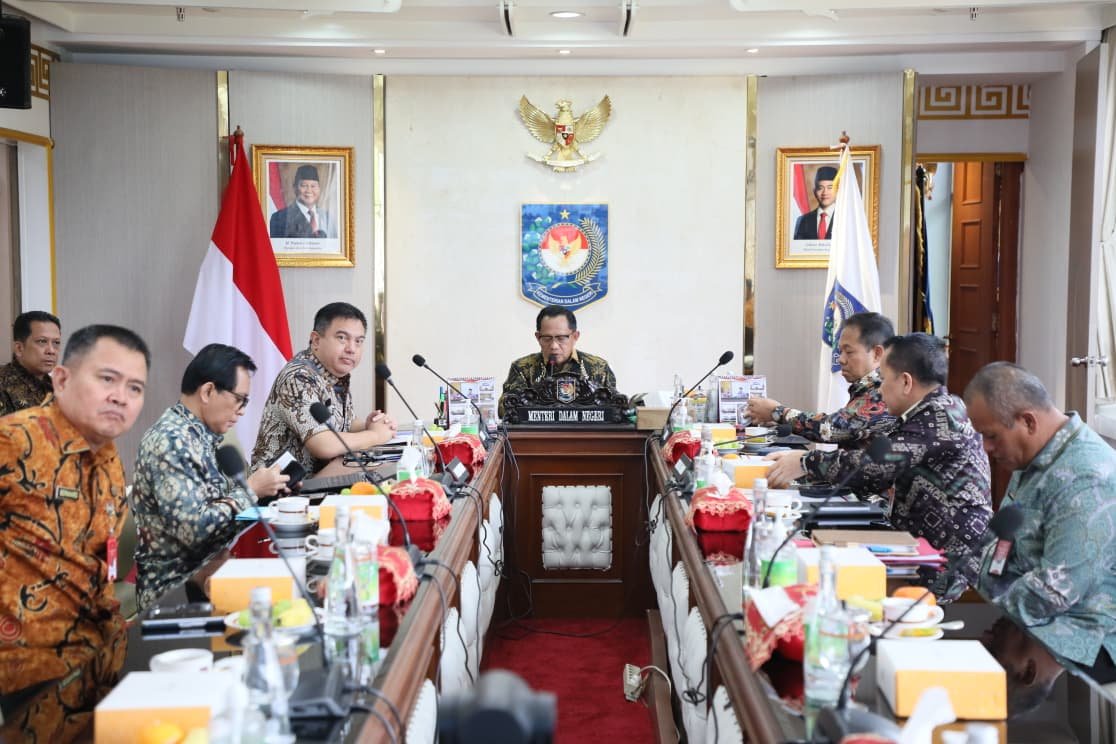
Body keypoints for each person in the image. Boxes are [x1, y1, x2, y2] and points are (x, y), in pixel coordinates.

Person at [0, 325, 149, 742]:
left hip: (101, 651)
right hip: (32, 667)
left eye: (135, 388)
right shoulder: (15, 440)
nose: (121, 396)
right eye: (107, 379)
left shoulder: (108, 456)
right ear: (62, 379)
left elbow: (105, 555)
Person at [765, 333, 992, 567]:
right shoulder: (932, 410)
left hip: (947, 562)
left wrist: (806, 462)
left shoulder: (939, 416)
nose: (879, 391)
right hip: (921, 547)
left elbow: (878, 466)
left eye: (883, 380)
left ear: (906, 382)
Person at [965, 362, 1116, 683]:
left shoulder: (1085, 477)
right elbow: (1003, 545)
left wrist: (986, 609)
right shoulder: (1034, 458)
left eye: (991, 436)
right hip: (1024, 618)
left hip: (1079, 639)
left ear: (1028, 421)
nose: (986, 448)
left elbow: (1056, 590)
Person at [132, 344, 290, 611]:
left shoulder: (202, 436)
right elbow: (194, 531)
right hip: (176, 591)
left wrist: (267, 494)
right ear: (207, 391)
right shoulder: (171, 441)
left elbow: (222, 515)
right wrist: (251, 490)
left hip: (213, 569)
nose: (242, 410)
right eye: (240, 399)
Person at [252, 302, 396, 476]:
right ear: (316, 340)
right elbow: (323, 444)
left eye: (358, 341)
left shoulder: (334, 374)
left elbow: (345, 423)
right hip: (280, 486)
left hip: (314, 479)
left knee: (385, 465)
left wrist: (368, 425)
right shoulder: (298, 377)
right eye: (342, 338)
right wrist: (375, 435)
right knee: (377, 467)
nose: (351, 349)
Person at [746, 311, 896, 449]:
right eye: (840, 351)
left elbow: (831, 428)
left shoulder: (884, 391)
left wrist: (777, 412)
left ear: (877, 353)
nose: (841, 359)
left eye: (849, 352)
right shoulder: (866, 388)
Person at [498, 304, 617, 417]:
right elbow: (505, 409)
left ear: (575, 336)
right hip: (538, 430)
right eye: (547, 338)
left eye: (561, 338)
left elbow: (615, 408)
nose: (554, 346)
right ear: (538, 337)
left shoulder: (598, 367)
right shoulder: (522, 368)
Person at [0, 310, 62, 417]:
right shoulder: (3, 385)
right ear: (19, 348)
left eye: (56, 343)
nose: (51, 351)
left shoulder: (57, 389)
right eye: (42, 341)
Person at [269, 164, 336, 239]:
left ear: (319, 189)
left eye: (313, 186)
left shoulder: (327, 218)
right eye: (304, 185)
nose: (309, 190)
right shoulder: (280, 218)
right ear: (295, 188)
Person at [792, 165, 836, 240]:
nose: (825, 192)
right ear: (814, 192)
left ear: (838, 190)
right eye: (820, 188)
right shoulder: (803, 220)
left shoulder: (845, 218)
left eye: (830, 188)